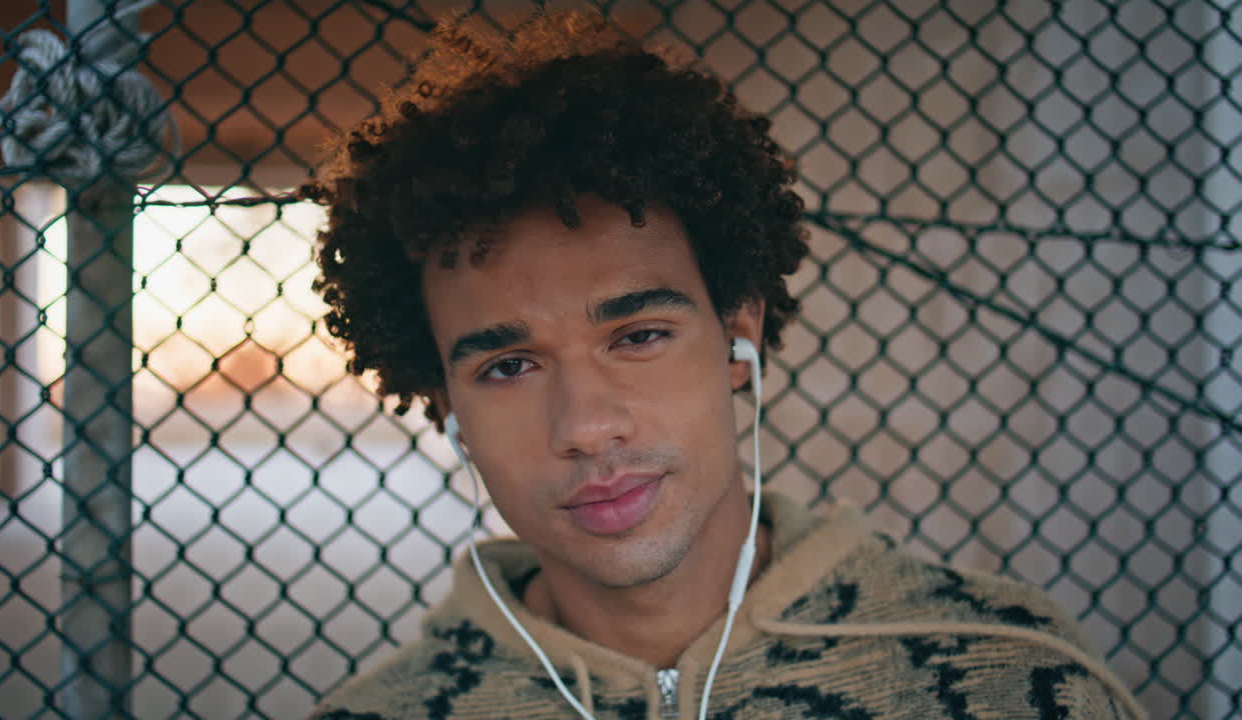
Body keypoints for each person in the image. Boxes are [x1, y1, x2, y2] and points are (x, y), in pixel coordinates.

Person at [300, 11, 1143, 720]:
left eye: (637, 337)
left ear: (737, 340)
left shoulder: (1011, 676)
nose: (587, 427)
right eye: (510, 366)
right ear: (447, 405)